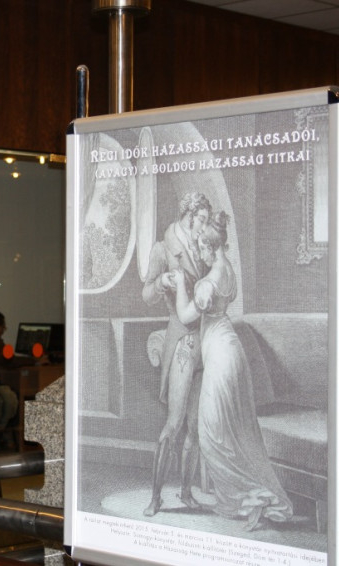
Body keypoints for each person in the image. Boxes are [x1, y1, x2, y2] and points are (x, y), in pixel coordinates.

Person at [173, 212, 292, 530]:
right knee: (236, 431)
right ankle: (251, 497)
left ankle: (254, 496)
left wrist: (180, 283)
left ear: (210, 247)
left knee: (212, 435)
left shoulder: (208, 282)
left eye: (201, 247)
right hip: (230, 351)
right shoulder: (228, 271)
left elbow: (185, 317)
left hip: (221, 357)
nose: (199, 253)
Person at [141, 191, 211, 516]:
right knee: (175, 421)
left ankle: (185, 491)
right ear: (188, 214)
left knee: (195, 426)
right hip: (181, 339)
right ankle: (156, 497)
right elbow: (146, 294)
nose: (204, 226)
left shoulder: (204, 245)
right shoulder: (163, 248)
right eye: (201, 220)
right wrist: (162, 282)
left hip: (205, 341)